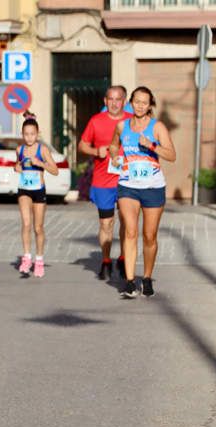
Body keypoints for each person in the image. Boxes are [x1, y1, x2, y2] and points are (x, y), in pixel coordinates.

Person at [109, 86, 176, 298]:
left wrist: (152, 145)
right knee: (130, 231)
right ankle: (129, 281)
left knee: (149, 236)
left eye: (144, 102)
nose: (139, 106)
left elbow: (172, 155)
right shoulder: (122, 126)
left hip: (153, 187)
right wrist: (114, 156)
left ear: (150, 105)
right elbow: (113, 146)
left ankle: (146, 278)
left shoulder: (157, 127)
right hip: (128, 185)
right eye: (136, 101)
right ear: (131, 102)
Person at [78, 85, 132, 280]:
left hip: (128, 180)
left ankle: (125, 258)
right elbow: (82, 145)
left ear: (124, 101)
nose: (114, 103)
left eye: (118, 99)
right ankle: (106, 260)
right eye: (111, 99)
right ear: (105, 101)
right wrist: (95, 151)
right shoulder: (96, 121)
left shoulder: (131, 121)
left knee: (127, 222)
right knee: (106, 223)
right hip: (103, 182)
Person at [14, 112, 58, 277]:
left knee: (38, 227)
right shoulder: (20, 149)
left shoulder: (43, 149)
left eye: (32, 134)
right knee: (26, 224)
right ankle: (26, 257)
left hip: (39, 190)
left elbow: (55, 170)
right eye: (26, 134)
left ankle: (39, 260)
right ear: (22, 135)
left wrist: (41, 163)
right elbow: (17, 165)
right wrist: (16, 168)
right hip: (24, 189)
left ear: (37, 134)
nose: (29, 137)